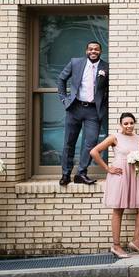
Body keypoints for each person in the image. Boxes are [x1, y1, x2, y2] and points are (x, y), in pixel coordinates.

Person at [90, 113, 139, 259]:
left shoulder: (138, 139)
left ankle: (135, 241)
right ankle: (116, 246)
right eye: (126, 123)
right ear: (121, 124)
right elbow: (94, 152)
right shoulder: (114, 137)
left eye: (131, 123)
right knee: (118, 209)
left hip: (134, 175)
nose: (129, 126)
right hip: (119, 175)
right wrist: (107, 168)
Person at [56, 40, 109, 186]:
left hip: (93, 111)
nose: (93, 51)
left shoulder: (106, 67)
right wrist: (64, 100)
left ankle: (81, 173)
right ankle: (66, 174)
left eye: (96, 49)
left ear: (100, 51)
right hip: (75, 108)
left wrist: (103, 106)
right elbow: (61, 79)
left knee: (91, 142)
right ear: (86, 51)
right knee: (69, 143)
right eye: (90, 49)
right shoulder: (75, 63)